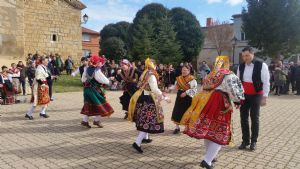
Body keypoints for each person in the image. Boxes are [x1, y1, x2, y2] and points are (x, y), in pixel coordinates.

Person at [181, 56, 244, 169]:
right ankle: (207, 160)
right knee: (220, 132)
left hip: (205, 102)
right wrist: (238, 100)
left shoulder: (210, 74)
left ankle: (210, 156)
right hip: (219, 102)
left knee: (208, 130)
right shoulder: (228, 74)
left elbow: (204, 86)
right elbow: (232, 88)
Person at [128, 58, 171, 154]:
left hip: (142, 97)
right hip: (148, 99)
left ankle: (145, 138)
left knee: (144, 119)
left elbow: (141, 84)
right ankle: (137, 143)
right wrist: (165, 98)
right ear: (154, 65)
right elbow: (155, 89)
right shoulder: (151, 75)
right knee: (148, 120)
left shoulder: (145, 72)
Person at [237, 46, 270, 151]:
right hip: (244, 94)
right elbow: (238, 82)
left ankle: (254, 141)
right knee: (243, 117)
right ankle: (245, 141)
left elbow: (266, 81)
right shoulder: (241, 66)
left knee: (254, 117)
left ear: (252, 54)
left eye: (247, 55)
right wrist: (237, 97)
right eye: (243, 56)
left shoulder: (261, 65)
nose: (245, 58)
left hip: (256, 93)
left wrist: (265, 97)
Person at [80, 55, 114, 128]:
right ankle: (96, 121)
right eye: (100, 62)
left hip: (86, 90)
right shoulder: (96, 70)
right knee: (100, 104)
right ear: (97, 62)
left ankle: (85, 121)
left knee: (89, 104)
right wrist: (109, 81)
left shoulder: (86, 69)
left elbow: (82, 80)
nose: (101, 63)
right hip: (94, 90)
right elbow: (103, 80)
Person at [171, 64, 197, 134]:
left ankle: (186, 128)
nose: (183, 71)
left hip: (188, 98)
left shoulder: (192, 79)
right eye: (182, 70)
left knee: (187, 112)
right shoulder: (179, 78)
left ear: (189, 71)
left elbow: (194, 89)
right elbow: (175, 87)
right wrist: (169, 89)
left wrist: (186, 93)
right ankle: (177, 127)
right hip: (179, 97)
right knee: (177, 111)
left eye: (185, 70)